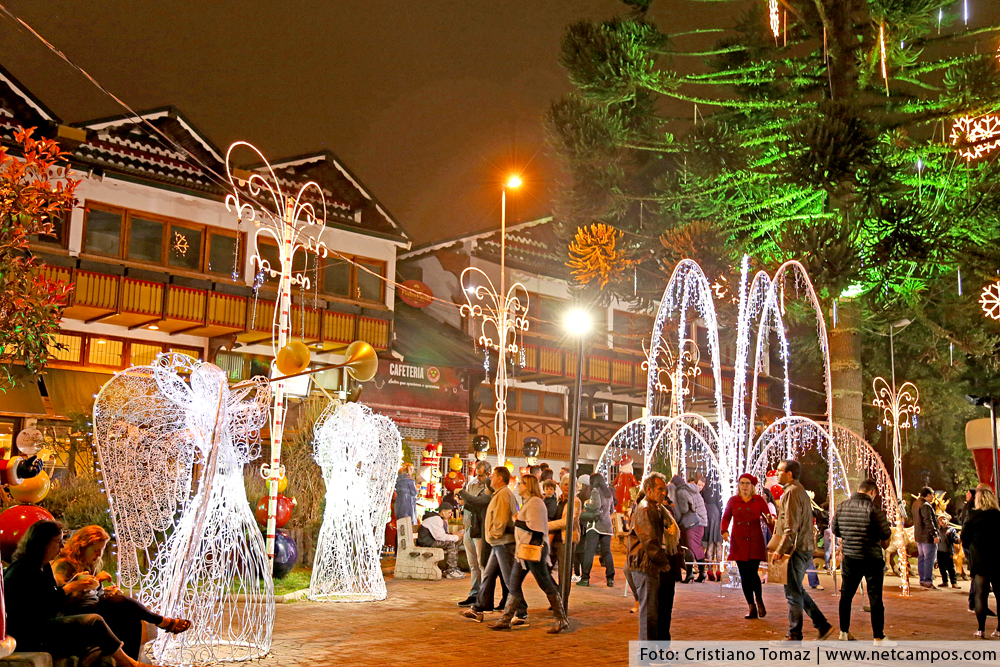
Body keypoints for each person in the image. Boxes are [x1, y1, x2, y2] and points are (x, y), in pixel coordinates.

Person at [2, 520, 155, 667]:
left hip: (46, 622)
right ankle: (130, 663)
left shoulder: (44, 565)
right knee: (94, 621)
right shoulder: (24, 569)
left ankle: (130, 657)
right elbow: (41, 606)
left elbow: (51, 596)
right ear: (42, 542)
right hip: (29, 632)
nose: (62, 546)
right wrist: (71, 587)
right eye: (58, 541)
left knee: (126, 616)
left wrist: (74, 584)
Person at [51, 526, 191, 659]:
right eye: (96, 550)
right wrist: (95, 581)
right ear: (82, 546)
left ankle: (131, 660)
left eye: (101, 550)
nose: (99, 555)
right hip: (76, 613)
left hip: (93, 607)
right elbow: (60, 598)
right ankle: (161, 621)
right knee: (121, 602)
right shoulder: (64, 564)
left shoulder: (89, 563)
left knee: (131, 617)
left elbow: (93, 594)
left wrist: (105, 592)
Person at [488, 475, 569, 633]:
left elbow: (535, 527)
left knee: (545, 583)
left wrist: (516, 521)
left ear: (528, 486)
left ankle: (562, 619)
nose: (519, 485)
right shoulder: (530, 502)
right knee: (514, 583)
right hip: (524, 550)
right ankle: (505, 619)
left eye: (521, 483)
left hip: (533, 550)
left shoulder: (535, 502)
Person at [769, 459, 835, 641]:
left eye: (779, 470)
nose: (777, 474)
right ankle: (822, 625)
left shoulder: (791, 494)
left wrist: (780, 549)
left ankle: (795, 633)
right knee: (797, 589)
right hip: (804, 547)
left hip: (795, 549)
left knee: (792, 593)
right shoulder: (801, 492)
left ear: (789, 474)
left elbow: (791, 527)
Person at [831, 479, 893, 643]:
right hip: (872, 558)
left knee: (846, 596)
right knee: (875, 597)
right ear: (872, 492)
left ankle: (844, 632)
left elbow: (835, 530)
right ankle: (878, 636)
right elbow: (886, 533)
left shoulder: (842, 506)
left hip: (850, 557)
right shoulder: (874, 509)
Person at [462, 466, 522, 623]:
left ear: (500, 478)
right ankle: (479, 608)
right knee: (488, 575)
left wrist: (494, 533)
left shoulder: (503, 494)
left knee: (509, 579)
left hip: (502, 543)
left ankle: (521, 611)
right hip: (497, 543)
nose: (491, 479)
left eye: (493, 476)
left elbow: (501, 518)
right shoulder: (499, 494)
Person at [628, 472, 680, 641]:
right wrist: (663, 563)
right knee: (648, 614)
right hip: (645, 565)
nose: (664, 493)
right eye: (660, 489)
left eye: (665, 489)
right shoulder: (645, 509)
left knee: (654, 612)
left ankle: (653, 649)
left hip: (650, 564)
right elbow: (649, 541)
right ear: (649, 490)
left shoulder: (656, 508)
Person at [721, 473, 773, 619]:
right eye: (742, 483)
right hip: (739, 541)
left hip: (755, 540)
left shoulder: (759, 500)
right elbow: (726, 517)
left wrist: (775, 535)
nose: (745, 486)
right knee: (744, 574)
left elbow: (768, 519)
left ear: (752, 486)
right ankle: (751, 606)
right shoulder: (733, 500)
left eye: (747, 483)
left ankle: (759, 600)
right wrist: (724, 531)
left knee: (753, 572)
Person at [962, 486, 1000, 638]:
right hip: (998, 560)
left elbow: (964, 538)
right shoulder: (998, 516)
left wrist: (972, 548)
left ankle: (981, 629)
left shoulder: (972, 516)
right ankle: (999, 629)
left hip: (980, 559)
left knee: (980, 595)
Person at [457, 461, 492, 606]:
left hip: (480, 529)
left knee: (481, 563)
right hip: (469, 526)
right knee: (473, 564)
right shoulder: (472, 484)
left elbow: (476, 503)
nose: (478, 478)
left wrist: (465, 499)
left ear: (488, 474)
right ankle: (474, 593)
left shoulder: (490, 488)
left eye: (481, 475)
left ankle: (483, 595)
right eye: (477, 475)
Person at [579, 472, 616, 587]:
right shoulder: (609, 493)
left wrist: (586, 504)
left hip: (595, 525)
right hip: (607, 526)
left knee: (589, 551)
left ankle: (585, 578)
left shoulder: (595, 491)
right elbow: (611, 511)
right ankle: (610, 578)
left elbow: (596, 506)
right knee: (607, 552)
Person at [670, 473, 708, 583]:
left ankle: (690, 573)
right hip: (701, 522)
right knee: (697, 547)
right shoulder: (692, 489)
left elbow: (684, 509)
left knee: (689, 548)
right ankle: (702, 573)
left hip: (692, 523)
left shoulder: (681, 492)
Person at [417, 502, 465, 579]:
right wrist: (455, 537)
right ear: (443, 512)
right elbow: (440, 537)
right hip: (428, 542)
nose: (450, 515)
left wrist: (453, 535)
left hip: (433, 541)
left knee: (455, 542)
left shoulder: (441, 519)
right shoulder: (435, 519)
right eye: (449, 512)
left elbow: (442, 534)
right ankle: (451, 571)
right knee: (451, 544)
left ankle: (450, 568)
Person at [549, 476, 581, 587]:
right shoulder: (558, 500)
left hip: (565, 540)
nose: (567, 487)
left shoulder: (575, 502)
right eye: (565, 484)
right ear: (561, 486)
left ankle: (562, 596)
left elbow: (567, 522)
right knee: (543, 570)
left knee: (564, 574)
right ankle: (555, 593)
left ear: (575, 487)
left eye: (570, 484)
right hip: (553, 539)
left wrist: (545, 525)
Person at [911, 486, 939, 589]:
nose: (933, 497)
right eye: (932, 494)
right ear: (928, 495)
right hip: (927, 537)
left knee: (922, 558)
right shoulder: (926, 505)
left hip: (919, 536)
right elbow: (928, 521)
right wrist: (934, 534)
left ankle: (922, 579)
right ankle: (928, 580)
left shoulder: (916, 503)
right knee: (929, 559)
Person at [700, 476, 724, 582]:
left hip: (707, 513)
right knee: (718, 543)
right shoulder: (717, 488)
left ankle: (710, 569)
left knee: (710, 543)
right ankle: (718, 569)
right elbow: (720, 503)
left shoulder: (705, 489)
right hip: (716, 513)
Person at [937, 513, 960, 589]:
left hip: (948, 551)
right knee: (942, 567)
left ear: (947, 520)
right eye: (940, 520)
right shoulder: (938, 529)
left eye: (944, 519)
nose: (942, 521)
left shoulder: (951, 530)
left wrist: (959, 540)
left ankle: (954, 582)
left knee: (951, 568)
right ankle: (945, 581)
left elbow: (955, 539)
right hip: (939, 551)